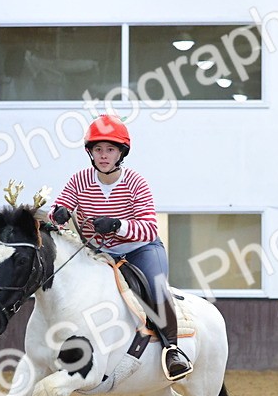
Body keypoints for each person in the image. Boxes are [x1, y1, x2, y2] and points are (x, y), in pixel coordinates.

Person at [50, 114, 193, 381]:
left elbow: (149, 228)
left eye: (110, 149)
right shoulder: (79, 180)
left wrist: (118, 225)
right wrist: (58, 214)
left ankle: (173, 350)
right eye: (98, 149)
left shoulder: (136, 182)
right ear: (90, 153)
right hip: (98, 254)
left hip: (141, 249)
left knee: (155, 288)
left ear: (121, 153)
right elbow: (60, 206)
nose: (104, 155)